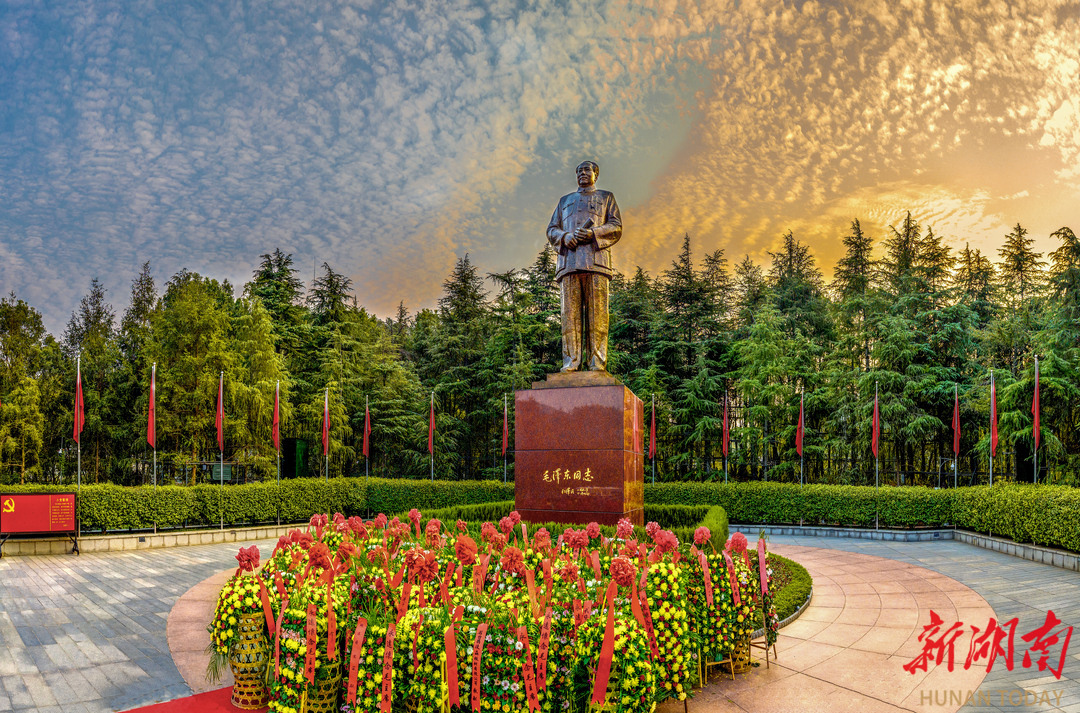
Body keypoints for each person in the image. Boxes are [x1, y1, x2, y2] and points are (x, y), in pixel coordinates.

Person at [546, 160, 623, 372]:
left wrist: (594, 233)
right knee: (569, 317)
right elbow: (552, 229)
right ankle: (571, 362)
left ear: (595, 174)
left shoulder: (606, 197)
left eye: (587, 169)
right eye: (578, 170)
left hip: (596, 262)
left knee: (598, 315)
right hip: (569, 263)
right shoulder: (565, 201)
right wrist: (565, 236)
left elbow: (616, 226)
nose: (582, 173)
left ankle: (597, 362)